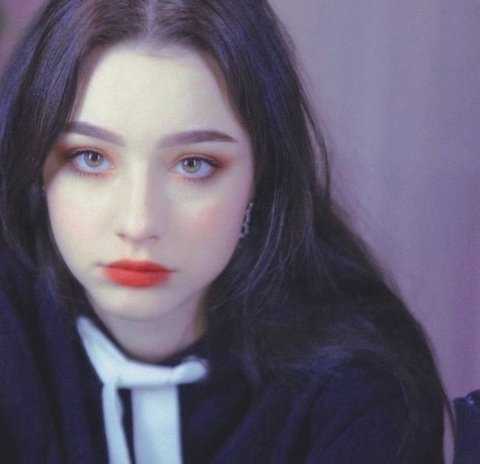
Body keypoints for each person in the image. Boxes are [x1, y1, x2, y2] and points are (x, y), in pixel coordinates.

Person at [0, 1, 447, 463]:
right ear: (35, 163)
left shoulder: (359, 383)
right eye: (90, 158)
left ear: (261, 177)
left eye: (193, 165)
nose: (138, 223)